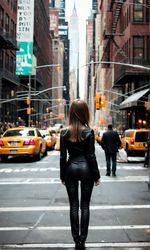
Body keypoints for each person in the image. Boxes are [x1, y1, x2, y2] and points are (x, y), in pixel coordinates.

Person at [60, 99, 100, 249]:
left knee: (73, 206)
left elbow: (63, 157)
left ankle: (75, 239)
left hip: (70, 168)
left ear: (71, 113)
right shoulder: (89, 132)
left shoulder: (64, 132)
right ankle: (83, 240)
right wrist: (96, 175)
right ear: (85, 113)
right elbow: (91, 156)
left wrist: (62, 175)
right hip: (86, 170)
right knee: (85, 206)